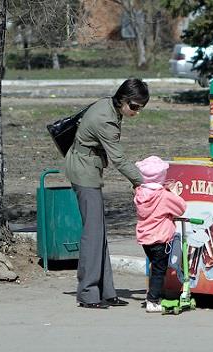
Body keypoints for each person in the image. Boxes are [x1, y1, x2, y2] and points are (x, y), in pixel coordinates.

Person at [65, 78, 149, 309]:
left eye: (141, 108)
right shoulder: (106, 120)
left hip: (86, 165)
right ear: (122, 99)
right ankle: (88, 293)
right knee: (92, 234)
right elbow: (119, 159)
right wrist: (144, 182)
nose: (137, 112)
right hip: (84, 171)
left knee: (98, 231)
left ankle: (105, 291)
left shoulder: (108, 106)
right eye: (134, 107)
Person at [134, 156, 187, 313]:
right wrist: (175, 194)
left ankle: (151, 294)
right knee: (159, 270)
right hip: (160, 239)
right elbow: (180, 208)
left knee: (153, 267)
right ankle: (152, 301)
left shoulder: (140, 194)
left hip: (145, 238)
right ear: (162, 176)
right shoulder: (164, 196)